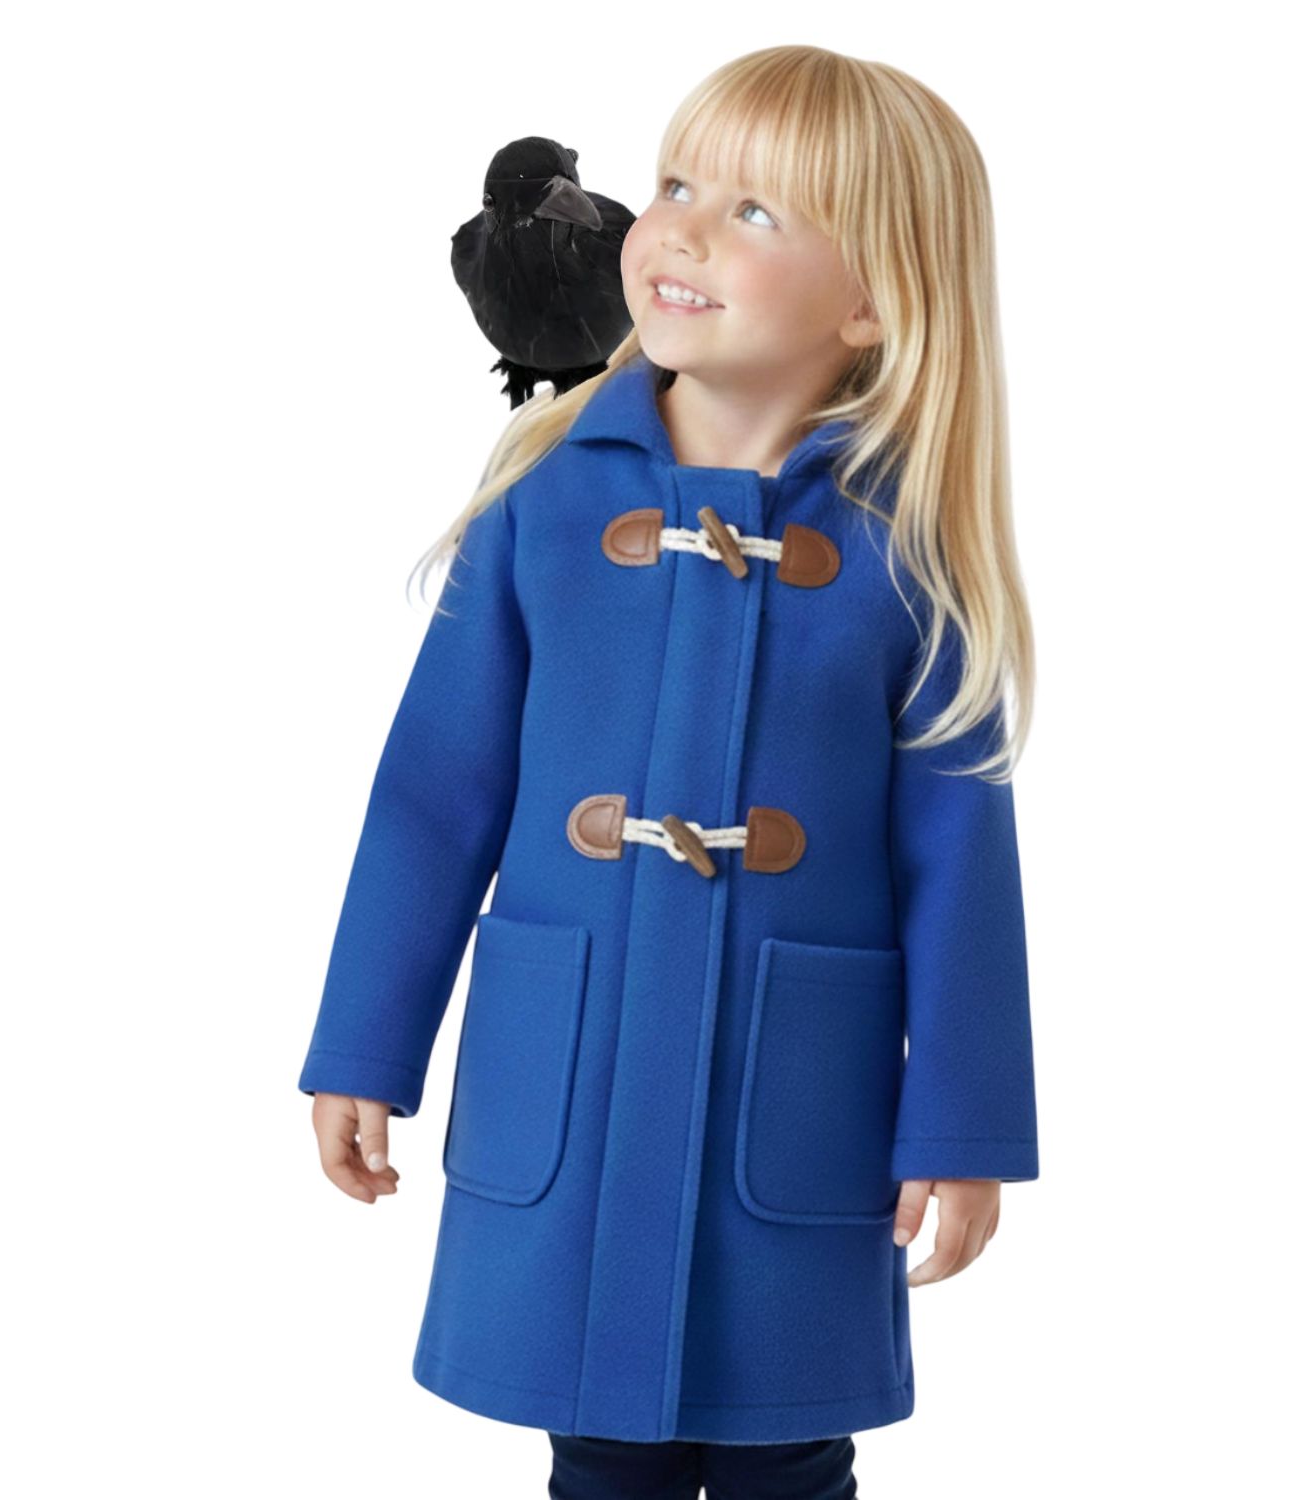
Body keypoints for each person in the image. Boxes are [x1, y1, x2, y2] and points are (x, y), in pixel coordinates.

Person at [298, 43, 1040, 1500]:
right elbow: (433, 797)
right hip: (568, 1055)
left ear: (874, 300)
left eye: (754, 211)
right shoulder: (542, 501)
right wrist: (364, 1043)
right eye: (678, 184)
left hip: (799, 1083)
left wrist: (965, 1127)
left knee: (788, 1442)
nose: (679, 229)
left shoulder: (909, 552)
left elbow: (961, 862)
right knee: (597, 1438)